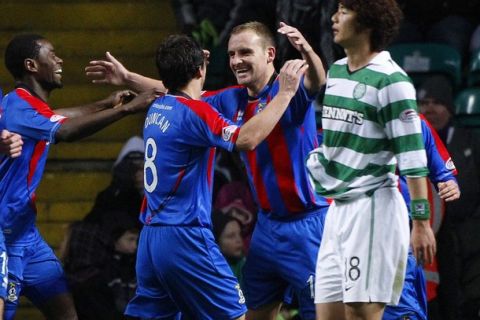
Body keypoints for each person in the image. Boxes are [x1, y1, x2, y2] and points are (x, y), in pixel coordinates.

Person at [86, 21, 328, 320]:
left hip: (306, 221)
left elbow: (317, 79)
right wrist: (128, 77)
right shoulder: (231, 99)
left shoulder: (289, 87)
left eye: (244, 52)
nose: (236, 60)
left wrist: (307, 51)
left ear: (270, 54)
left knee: (325, 313)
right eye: (231, 54)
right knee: (254, 312)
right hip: (264, 225)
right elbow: (178, 90)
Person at [0, 34, 156, 320]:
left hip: (27, 237)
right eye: (52, 54)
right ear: (31, 65)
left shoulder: (27, 105)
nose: (59, 59)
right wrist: (128, 109)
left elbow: (57, 117)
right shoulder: (19, 107)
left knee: (67, 314)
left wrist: (105, 104)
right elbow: (66, 131)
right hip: (4, 236)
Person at [305, 1, 436, 319]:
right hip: (338, 211)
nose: (334, 18)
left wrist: (421, 222)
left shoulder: (392, 81)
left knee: (362, 315)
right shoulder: (335, 72)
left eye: (344, 12)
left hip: (374, 209)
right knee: (327, 314)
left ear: (367, 24)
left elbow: (413, 157)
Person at [418, 75, 480, 319]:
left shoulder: (472, 142)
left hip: (470, 233)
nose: (430, 108)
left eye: (437, 103)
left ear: (450, 108)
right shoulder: (412, 142)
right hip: (433, 237)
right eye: (424, 103)